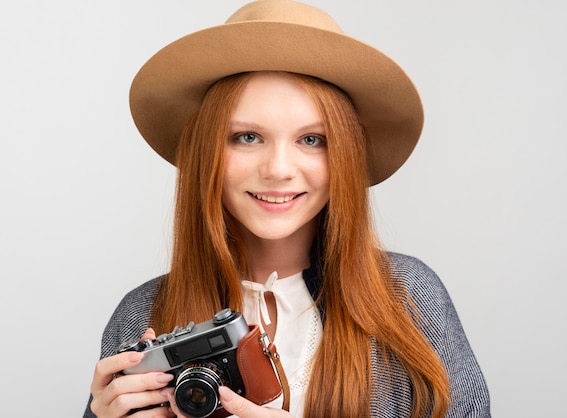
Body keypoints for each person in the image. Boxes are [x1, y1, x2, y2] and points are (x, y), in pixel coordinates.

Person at [84, 1, 491, 417]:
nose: (278, 170)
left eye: (312, 139)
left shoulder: (408, 299)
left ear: (345, 156)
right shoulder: (141, 314)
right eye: (246, 137)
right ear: (206, 151)